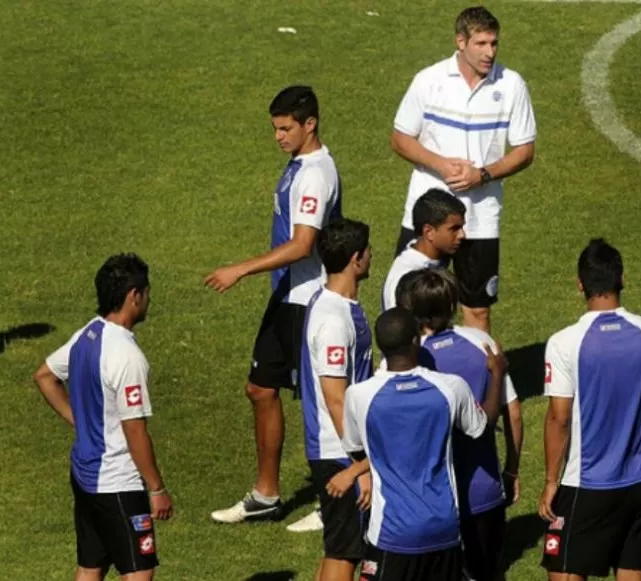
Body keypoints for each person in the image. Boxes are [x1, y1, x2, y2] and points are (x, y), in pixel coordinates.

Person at [207, 86, 342, 525]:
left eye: (286, 128)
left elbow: (303, 244)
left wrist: (241, 269)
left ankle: (336, 495)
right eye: (275, 129)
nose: (279, 137)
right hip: (286, 297)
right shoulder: (298, 165)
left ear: (310, 124)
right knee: (260, 388)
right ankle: (267, 495)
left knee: (323, 400)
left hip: (309, 301)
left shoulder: (316, 173)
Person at [538, 239, 641, 581]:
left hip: (584, 485)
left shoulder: (565, 342)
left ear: (580, 284)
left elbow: (559, 417)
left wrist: (549, 481)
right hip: (638, 483)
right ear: (623, 278)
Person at [390, 5, 536, 333]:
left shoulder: (511, 85)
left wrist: (482, 175)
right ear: (460, 41)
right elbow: (400, 139)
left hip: (481, 217)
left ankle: (479, 381)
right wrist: (442, 165)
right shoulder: (429, 81)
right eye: (481, 44)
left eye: (494, 43)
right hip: (429, 215)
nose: (490, 52)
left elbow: (525, 151)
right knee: (411, 304)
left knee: (478, 310)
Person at [33, 254, 172, 581]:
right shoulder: (127, 356)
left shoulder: (88, 335)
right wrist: (156, 488)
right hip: (117, 482)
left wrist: (82, 423)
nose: (148, 300)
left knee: (90, 565)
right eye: (146, 292)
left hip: (84, 474)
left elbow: (44, 376)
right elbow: (135, 431)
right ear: (133, 296)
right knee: (139, 570)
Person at [340, 308, 493, 581]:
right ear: (415, 340)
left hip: (391, 533)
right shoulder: (450, 388)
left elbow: (355, 447)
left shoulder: (359, 396)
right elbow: (481, 426)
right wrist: (498, 376)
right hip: (444, 529)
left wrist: (358, 470)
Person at [396, 268, 522, 581]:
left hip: (430, 501)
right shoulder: (483, 343)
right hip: (483, 490)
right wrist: (511, 470)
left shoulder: (406, 359)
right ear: (453, 305)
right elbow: (514, 413)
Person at [301, 219, 375, 580]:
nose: (372, 256)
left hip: (338, 449)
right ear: (356, 259)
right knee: (346, 552)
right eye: (368, 250)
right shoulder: (332, 320)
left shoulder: (332, 302)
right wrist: (359, 465)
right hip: (339, 451)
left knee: (339, 548)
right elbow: (334, 398)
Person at [380, 189, 466, 313]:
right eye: (454, 229)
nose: (462, 235)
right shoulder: (406, 279)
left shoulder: (430, 257)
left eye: (462, 227)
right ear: (429, 232)